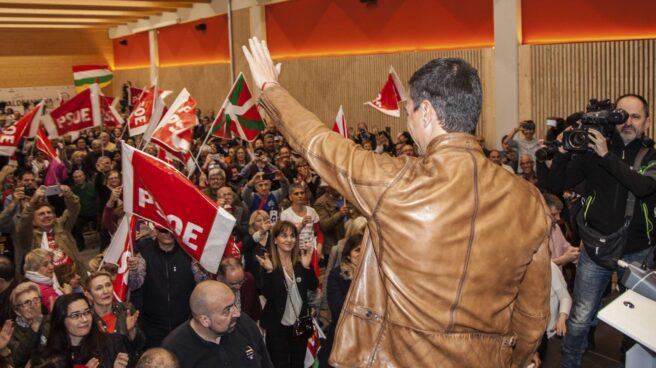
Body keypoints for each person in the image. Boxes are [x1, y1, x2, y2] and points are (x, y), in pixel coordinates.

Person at [243, 38, 551, 367]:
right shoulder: (529, 200)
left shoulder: (396, 181)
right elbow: (532, 316)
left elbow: (318, 143)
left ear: (428, 112)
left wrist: (270, 87)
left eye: (410, 112)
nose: (409, 124)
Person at [551, 94, 656, 367]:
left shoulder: (651, 155)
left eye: (635, 116)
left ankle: (630, 360)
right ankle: (570, 362)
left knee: (637, 319)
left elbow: (643, 187)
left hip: (637, 251)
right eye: (622, 116)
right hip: (596, 249)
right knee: (582, 316)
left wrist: (606, 156)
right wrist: (562, 152)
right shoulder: (591, 151)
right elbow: (557, 182)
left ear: (647, 120)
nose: (628, 123)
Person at [161, 280, 273, 368]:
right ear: (205, 320)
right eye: (226, 310)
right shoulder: (174, 350)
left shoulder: (244, 324)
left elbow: (265, 363)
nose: (237, 313)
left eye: (233, 304)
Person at [255, 221, 317, 368]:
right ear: (275, 239)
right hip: (277, 327)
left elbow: (313, 286)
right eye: (284, 236)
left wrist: (307, 268)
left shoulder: (300, 260)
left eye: (292, 236)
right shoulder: (267, 261)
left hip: (299, 325)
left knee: (298, 364)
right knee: (279, 364)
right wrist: (270, 271)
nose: (289, 240)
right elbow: (268, 294)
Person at [128, 227, 198, 349]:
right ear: (155, 230)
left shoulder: (189, 252)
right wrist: (133, 271)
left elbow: (203, 281)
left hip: (185, 323)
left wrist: (201, 266)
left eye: (171, 230)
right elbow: (135, 285)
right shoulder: (144, 253)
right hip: (153, 325)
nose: (168, 234)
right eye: (163, 230)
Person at [47, 293, 131, 368]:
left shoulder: (112, 343)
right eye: (76, 315)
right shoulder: (51, 356)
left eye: (87, 312)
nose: (84, 319)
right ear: (61, 319)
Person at [85, 272, 145, 360]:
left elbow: (140, 345)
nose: (106, 291)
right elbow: (87, 355)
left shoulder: (126, 309)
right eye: (99, 288)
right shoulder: (86, 319)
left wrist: (131, 331)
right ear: (89, 295)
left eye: (108, 285)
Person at [8, 282, 50, 368]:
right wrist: (35, 325)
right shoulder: (12, 331)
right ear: (17, 311)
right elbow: (18, 360)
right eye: (27, 302)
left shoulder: (50, 320)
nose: (33, 305)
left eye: (36, 300)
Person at [216, 257, 262, 322]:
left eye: (241, 282)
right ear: (220, 279)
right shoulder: (213, 293)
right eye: (233, 284)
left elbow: (255, 308)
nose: (238, 287)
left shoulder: (248, 280)